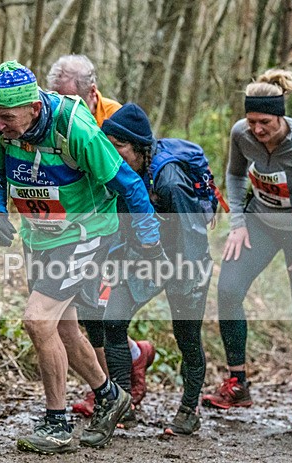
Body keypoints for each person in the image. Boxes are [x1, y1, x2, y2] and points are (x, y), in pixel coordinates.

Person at [0, 61, 162, 454]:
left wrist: (149, 238)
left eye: (7, 117)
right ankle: (110, 395)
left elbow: (129, 183)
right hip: (39, 235)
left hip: (85, 233)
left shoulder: (75, 127)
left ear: (34, 109)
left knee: (37, 319)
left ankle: (56, 423)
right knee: (62, 329)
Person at [202, 69, 292, 423]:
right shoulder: (240, 134)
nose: (257, 130)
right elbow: (234, 174)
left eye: (266, 123)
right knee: (228, 290)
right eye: (252, 121)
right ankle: (237, 384)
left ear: (281, 117)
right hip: (261, 223)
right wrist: (238, 224)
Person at [46, 55, 156, 420]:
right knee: (88, 307)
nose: (61, 105)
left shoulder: (113, 119)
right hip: (77, 222)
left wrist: (145, 237)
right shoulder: (53, 118)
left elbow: (131, 182)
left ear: (91, 94)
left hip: (113, 224)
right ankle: (131, 360)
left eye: (68, 98)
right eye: (55, 96)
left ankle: (111, 391)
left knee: (101, 310)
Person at [100, 103, 213, 435]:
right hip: (143, 256)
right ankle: (121, 403)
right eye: (108, 144)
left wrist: (187, 279)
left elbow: (192, 233)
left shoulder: (169, 181)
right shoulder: (119, 172)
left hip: (184, 261)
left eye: (119, 145)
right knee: (113, 321)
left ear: (140, 148)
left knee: (187, 336)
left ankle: (189, 409)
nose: (111, 152)